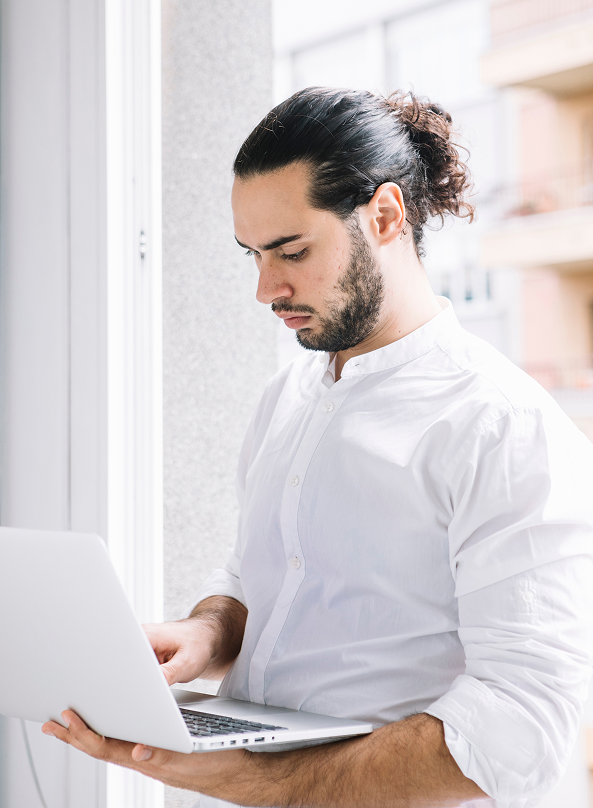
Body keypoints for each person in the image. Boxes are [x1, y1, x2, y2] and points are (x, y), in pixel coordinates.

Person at [43, 87, 593, 808]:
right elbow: (263, 571)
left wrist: (270, 784)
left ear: (386, 216)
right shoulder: (291, 398)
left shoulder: (501, 425)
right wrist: (211, 629)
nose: (267, 289)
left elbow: (522, 726)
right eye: (254, 256)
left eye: (292, 251)